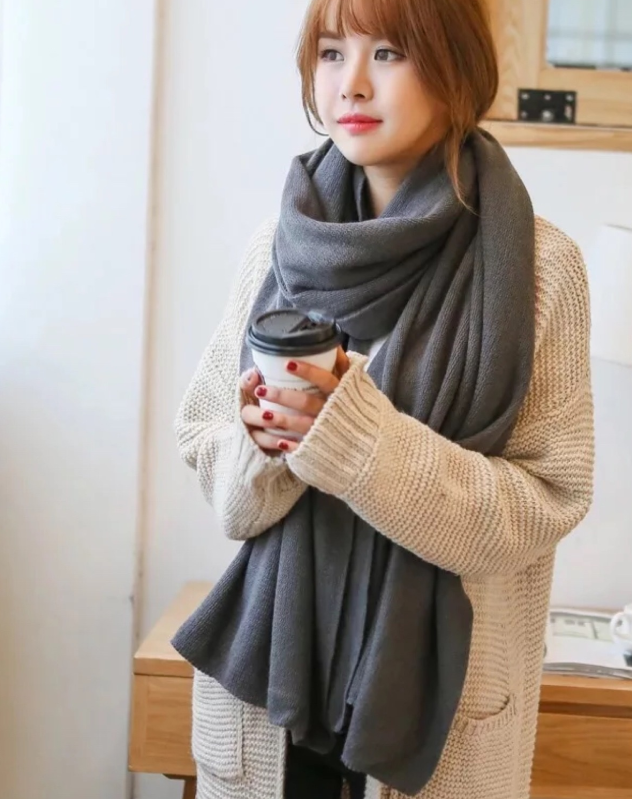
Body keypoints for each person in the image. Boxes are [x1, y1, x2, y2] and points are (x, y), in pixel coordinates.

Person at [171, 0, 595, 797]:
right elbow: (210, 457)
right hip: (267, 713)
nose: (352, 84)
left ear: (455, 69)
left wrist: (353, 437)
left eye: (389, 53)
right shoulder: (276, 248)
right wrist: (263, 443)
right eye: (331, 53)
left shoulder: (538, 269)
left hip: (436, 729)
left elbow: (546, 502)